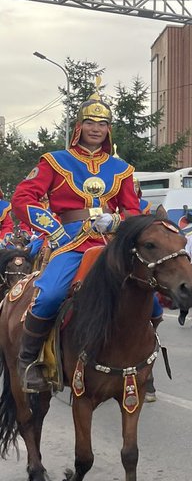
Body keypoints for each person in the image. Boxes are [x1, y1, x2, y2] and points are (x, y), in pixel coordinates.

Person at [11, 79, 141, 392]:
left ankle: (140, 362)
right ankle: (29, 360)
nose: (96, 128)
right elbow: (22, 198)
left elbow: (134, 213)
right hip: (67, 240)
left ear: (109, 129)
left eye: (102, 123)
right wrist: (53, 229)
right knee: (52, 295)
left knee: (147, 299)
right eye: (90, 122)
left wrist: (116, 220)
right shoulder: (55, 161)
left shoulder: (122, 168)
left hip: (109, 243)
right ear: (78, 126)